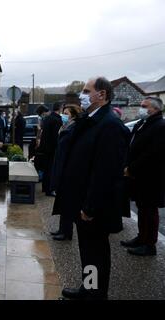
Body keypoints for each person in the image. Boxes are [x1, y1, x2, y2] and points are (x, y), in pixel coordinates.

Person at [60, 77, 130, 300]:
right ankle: (88, 288)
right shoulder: (91, 120)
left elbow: (106, 174)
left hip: (94, 209)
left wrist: (90, 208)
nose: (81, 94)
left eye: (86, 90)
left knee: (96, 253)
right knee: (88, 253)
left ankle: (95, 294)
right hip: (83, 203)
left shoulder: (110, 125)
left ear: (102, 95)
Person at [121, 97, 165, 256]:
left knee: (149, 211)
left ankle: (149, 244)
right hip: (138, 176)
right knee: (142, 208)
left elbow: (153, 154)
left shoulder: (160, 126)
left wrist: (132, 168)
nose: (141, 109)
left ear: (155, 109)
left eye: (144, 106)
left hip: (150, 177)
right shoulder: (143, 123)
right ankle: (141, 237)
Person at [50, 104, 83, 241]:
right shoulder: (65, 127)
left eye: (66, 113)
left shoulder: (74, 128)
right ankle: (62, 229)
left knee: (67, 202)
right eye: (63, 112)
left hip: (67, 168)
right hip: (60, 165)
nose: (63, 115)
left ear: (73, 115)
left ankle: (66, 231)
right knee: (62, 200)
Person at [37, 102, 63, 196]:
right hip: (52, 149)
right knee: (51, 169)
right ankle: (49, 190)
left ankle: (45, 187)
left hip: (45, 148)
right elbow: (56, 137)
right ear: (60, 108)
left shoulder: (47, 118)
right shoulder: (56, 120)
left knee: (46, 169)